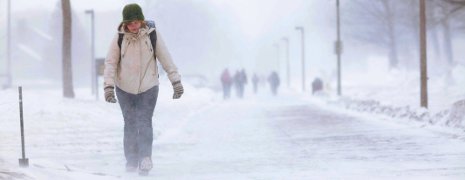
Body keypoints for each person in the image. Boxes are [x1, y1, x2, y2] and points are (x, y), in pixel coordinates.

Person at [103, 3, 184, 176]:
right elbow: (110, 62)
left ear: (141, 20)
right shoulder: (119, 38)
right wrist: (108, 87)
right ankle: (132, 160)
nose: (133, 25)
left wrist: (175, 81)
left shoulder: (152, 35)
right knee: (130, 123)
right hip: (124, 88)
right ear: (125, 23)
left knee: (145, 121)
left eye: (136, 21)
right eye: (130, 22)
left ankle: (145, 157)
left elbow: (165, 57)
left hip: (148, 86)